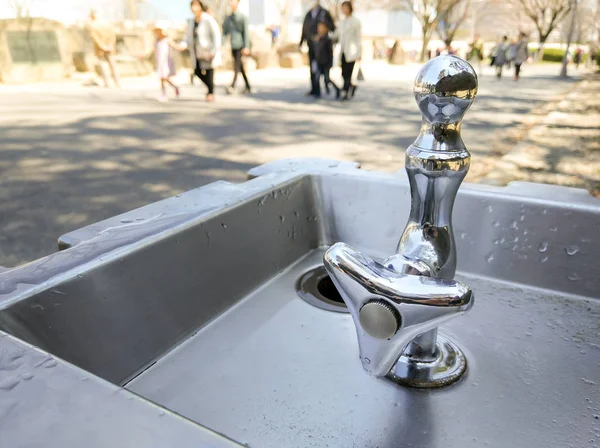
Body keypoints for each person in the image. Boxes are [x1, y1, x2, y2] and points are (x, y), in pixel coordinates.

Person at [188, 0, 222, 102]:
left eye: (196, 5)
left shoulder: (208, 19)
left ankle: (210, 92)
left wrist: (213, 50)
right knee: (197, 71)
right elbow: (188, 37)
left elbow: (216, 35)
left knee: (209, 71)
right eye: (193, 5)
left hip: (208, 50)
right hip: (197, 52)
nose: (194, 8)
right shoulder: (192, 21)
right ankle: (210, 89)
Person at [300, 1, 335, 97]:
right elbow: (304, 28)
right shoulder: (308, 14)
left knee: (323, 71)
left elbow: (332, 27)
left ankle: (328, 87)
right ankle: (315, 88)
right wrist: (301, 41)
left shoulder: (324, 13)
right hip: (311, 45)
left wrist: (322, 34)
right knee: (313, 68)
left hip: (322, 46)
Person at [222, 0, 252, 94]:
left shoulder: (242, 17)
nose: (231, 3)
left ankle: (232, 85)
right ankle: (247, 85)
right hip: (233, 45)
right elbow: (224, 32)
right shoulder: (228, 18)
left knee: (236, 66)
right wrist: (222, 44)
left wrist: (246, 46)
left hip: (240, 45)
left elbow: (246, 33)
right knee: (240, 66)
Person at [335, 1, 361, 100]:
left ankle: (346, 92)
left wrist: (359, 52)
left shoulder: (355, 21)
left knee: (348, 73)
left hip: (352, 51)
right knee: (343, 72)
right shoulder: (342, 22)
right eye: (342, 8)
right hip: (343, 51)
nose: (343, 10)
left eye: (345, 8)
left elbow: (358, 38)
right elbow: (336, 34)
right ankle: (352, 86)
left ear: (349, 8)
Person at [87, 10, 120, 88]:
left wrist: (103, 46)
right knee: (113, 65)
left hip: (100, 49)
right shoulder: (108, 24)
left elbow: (95, 38)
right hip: (110, 48)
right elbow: (113, 35)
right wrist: (111, 45)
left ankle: (107, 82)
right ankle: (117, 82)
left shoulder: (93, 25)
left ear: (92, 16)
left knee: (103, 65)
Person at [312, 21, 339, 99]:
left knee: (327, 79)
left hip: (326, 63)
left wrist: (330, 64)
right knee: (316, 78)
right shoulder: (316, 39)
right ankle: (317, 93)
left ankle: (337, 90)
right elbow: (315, 51)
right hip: (318, 62)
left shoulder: (328, 39)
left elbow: (330, 53)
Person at [154, 26, 180, 102]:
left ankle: (166, 92)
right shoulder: (157, 41)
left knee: (164, 78)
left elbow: (175, 46)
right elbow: (153, 50)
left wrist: (182, 47)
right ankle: (166, 92)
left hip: (166, 62)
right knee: (162, 78)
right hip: (160, 62)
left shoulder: (167, 40)